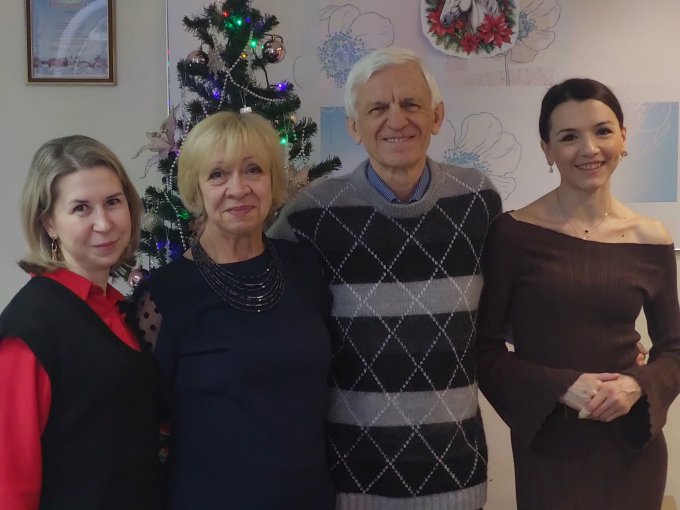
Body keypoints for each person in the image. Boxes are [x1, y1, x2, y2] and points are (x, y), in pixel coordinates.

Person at [269, 47, 501, 509]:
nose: (397, 119)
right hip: (351, 481)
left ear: (436, 117)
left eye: (411, 104)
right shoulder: (311, 215)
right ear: (354, 127)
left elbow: (512, 308)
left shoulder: (477, 199)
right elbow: (263, 305)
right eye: (377, 108)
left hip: (456, 477)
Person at [476, 78, 680, 509]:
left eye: (602, 131)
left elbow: (674, 349)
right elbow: (482, 348)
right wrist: (560, 386)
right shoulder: (513, 234)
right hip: (550, 444)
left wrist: (636, 385)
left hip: (631, 446)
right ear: (547, 150)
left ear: (623, 138)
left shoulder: (651, 238)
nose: (589, 149)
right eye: (569, 137)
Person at [133, 111, 335, 510]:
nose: (238, 188)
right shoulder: (164, 296)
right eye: (218, 175)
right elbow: (142, 425)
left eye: (253, 170)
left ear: (273, 180)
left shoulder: (305, 268)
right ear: (196, 189)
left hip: (309, 498)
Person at [0, 135, 160, 510]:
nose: (103, 223)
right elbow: (10, 482)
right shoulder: (29, 328)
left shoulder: (123, 310)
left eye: (113, 202)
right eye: (81, 208)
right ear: (49, 223)